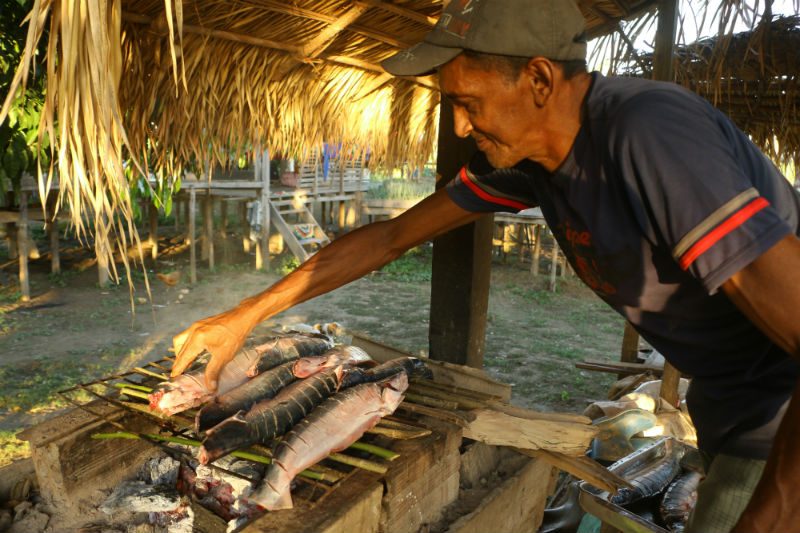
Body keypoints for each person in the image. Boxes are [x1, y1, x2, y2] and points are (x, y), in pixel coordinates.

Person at [171, 1, 800, 531]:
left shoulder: (647, 134)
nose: (461, 123)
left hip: (777, 421)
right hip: (730, 410)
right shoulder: (535, 162)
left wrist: (771, 507)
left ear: (538, 80)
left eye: (468, 101)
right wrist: (242, 316)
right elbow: (390, 238)